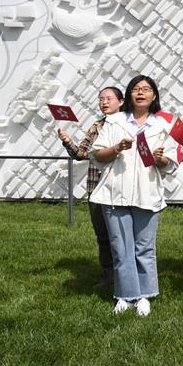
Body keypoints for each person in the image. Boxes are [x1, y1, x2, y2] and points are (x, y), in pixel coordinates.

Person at [91, 75, 178, 317]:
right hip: (114, 193)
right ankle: (124, 295)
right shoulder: (115, 121)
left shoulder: (162, 126)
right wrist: (117, 147)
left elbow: (170, 162)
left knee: (144, 248)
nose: (140, 93)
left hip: (147, 193)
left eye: (146, 89)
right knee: (121, 247)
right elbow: (97, 155)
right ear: (129, 95)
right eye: (136, 89)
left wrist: (160, 158)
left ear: (154, 96)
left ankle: (144, 295)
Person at [57, 86, 124, 288]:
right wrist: (68, 142)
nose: (104, 102)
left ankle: (126, 275)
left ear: (121, 101)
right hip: (96, 189)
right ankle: (108, 274)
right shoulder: (97, 126)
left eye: (109, 98)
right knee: (103, 235)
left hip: (121, 187)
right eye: (101, 99)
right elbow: (81, 154)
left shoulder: (129, 124)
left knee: (121, 235)